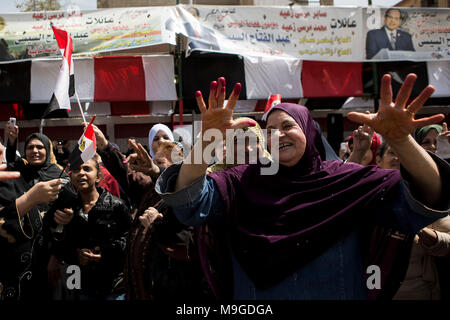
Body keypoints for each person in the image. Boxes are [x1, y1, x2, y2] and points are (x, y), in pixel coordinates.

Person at [155, 75, 449, 300]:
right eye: (269, 131)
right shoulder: (242, 182)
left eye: (287, 126)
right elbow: (188, 203)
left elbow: (426, 198)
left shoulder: (350, 180)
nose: (278, 135)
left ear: (308, 130)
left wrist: (401, 141)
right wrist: (206, 139)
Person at [51, 157, 131, 300]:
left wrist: (105, 254)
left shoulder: (116, 205)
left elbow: (129, 239)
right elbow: (59, 244)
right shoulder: (67, 207)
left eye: (87, 169)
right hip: (78, 282)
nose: (81, 173)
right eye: (76, 170)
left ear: (98, 176)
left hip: (113, 285)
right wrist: (76, 254)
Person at [0, 134, 64, 300]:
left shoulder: (60, 175)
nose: (34, 151)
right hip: (16, 263)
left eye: (40, 147)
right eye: (30, 147)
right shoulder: (18, 174)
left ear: (48, 150)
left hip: (49, 252)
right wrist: (30, 199)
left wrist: (56, 254)